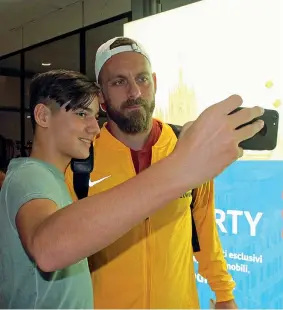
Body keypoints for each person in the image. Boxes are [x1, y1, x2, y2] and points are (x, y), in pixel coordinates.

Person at [0, 69, 263, 309]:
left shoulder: (56, 179)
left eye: (95, 115)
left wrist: (224, 292)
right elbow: (47, 249)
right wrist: (180, 169)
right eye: (81, 114)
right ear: (43, 116)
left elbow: (203, 232)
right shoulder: (29, 176)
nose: (94, 127)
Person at [65, 37, 262, 309]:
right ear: (101, 95)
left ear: (155, 83)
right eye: (119, 82)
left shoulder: (186, 147)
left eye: (142, 79)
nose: (134, 91)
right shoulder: (81, 162)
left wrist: (225, 295)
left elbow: (204, 232)